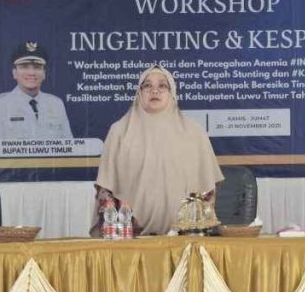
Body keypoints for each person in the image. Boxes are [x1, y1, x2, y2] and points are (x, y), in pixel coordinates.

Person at [92, 65, 224, 235]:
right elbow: (105, 190)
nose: (154, 91)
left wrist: (194, 229)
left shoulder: (195, 133)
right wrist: (118, 231)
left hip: (184, 239)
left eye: (162, 86)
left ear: (172, 92)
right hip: (130, 240)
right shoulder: (119, 132)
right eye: (147, 86)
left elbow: (208, 190)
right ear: (139, 93)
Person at [0, 41, 72, 139]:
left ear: (44, 73)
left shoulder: (56, 104)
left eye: (37, 67)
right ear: (14, 73)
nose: (31, 73)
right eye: (24, 67)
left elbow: (68, 145)